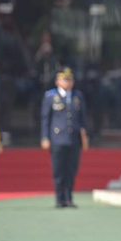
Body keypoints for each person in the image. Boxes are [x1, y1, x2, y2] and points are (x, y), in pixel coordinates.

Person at [41, 67, 88, 208]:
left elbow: (83, 118)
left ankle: (69, 197)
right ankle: (59, 198)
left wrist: (85, 136)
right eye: (64, 79)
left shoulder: (77, 96)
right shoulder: (50, 96)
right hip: (57, 138)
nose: (68, 82)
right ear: (57, 81)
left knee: (71, 169)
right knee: (59, 170)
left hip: (74, 138)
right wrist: (45, 137)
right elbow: (45, 118)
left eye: (70, 79)